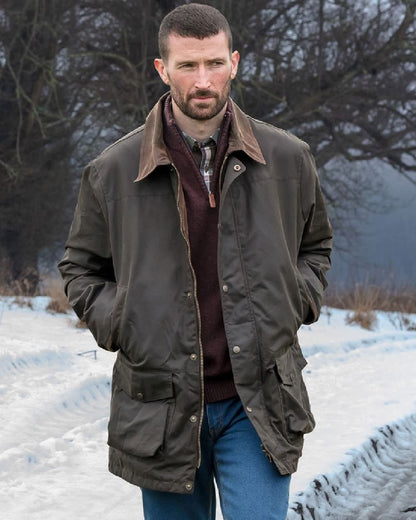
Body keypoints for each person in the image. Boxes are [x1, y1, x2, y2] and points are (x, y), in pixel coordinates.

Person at [58, 3, 332, 519]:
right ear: (162, 70)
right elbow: (80, 267)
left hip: (260, 400)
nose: (201, 80)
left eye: (212, 63)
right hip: (161, 403)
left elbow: (315, 246)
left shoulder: (289, 158)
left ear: (234, 62)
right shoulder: (113, 170)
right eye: (187, 66)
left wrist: (296, 300)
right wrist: (124, 321)